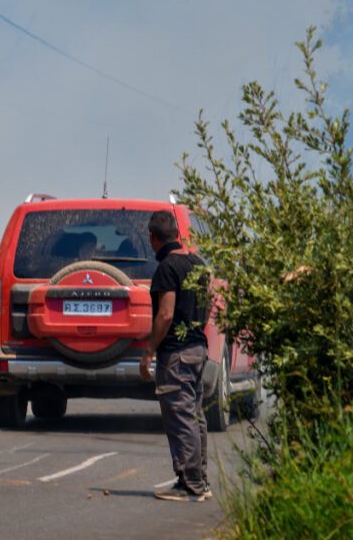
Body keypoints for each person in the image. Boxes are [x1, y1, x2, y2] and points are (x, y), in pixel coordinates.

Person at [140, 209, 210, 502]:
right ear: (178, 235)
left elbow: (165, 314)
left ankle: (190, 485)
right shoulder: (198, 264)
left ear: (153, 238)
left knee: (181, 417)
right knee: (194, 415)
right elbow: (206, 308)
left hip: (177, 354)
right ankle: (200, 481)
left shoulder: (167, 268)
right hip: (198, 349)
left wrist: (149, 351)